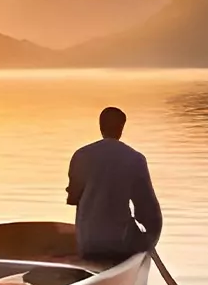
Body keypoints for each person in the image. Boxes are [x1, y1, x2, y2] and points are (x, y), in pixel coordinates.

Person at [66, 106, 162, 262]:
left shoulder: (80, 155)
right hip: (119, 244)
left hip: (87, 243)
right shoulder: (135, 159)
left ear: (100, 126)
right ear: (121, 128)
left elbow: (73, 198)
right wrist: (150, 239)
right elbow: (147, 210)